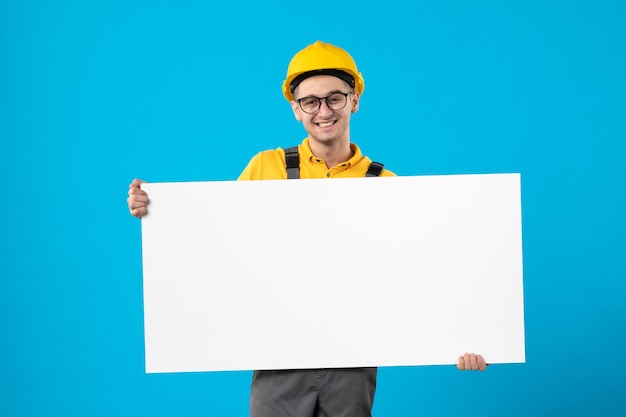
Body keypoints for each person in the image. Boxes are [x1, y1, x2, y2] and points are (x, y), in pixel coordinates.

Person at [128, 40, 487, 417]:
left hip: (352, 360)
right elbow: (218, 242)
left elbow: (423, 273)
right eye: (310, 101)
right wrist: (157, 213)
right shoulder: (266, 168)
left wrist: (475, 339)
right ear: (296, 109)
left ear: (355, 100)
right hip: (277, 357)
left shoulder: (388, 186)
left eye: (334, 98)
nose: (323, 111)